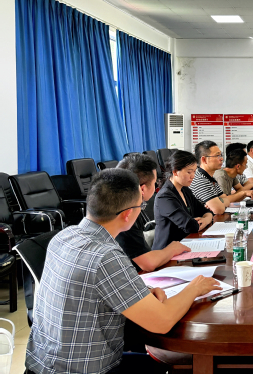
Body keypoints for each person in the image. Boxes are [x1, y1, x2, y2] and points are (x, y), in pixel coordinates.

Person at [26, 169, 221, 374]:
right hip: (82, 370)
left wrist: (141, 292)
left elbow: (88, 287)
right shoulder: (106, 255)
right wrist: (195, 288)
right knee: (177, 367)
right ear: (128, 214)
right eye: (141, 206)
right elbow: (162, 322)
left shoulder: (63, 237)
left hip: (42, 365)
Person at [115, 153, 190, 272]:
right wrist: (172, 249)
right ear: (143, 189)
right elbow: (148, 264)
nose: (155, 187)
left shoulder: (116, 204)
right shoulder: (126, 213)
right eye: (155, 183)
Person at [153, 150, 220, 250]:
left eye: (194, 171)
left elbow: (207, 211)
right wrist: (205, 219)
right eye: (189, 172)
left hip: (186, 244)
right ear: (175, 172)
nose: (193, 176)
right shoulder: (165, 197)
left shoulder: (185, 190)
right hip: (167, 252)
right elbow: (190, 226)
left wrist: (205, 220)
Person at [191, 141, 253, 213]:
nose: (221, 159)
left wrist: (219, 202)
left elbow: (226, 199)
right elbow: (219, 210)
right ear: (204, 159)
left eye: (221, 155)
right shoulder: (200, 180)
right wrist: (220, 203)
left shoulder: (210, 178)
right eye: (217, 156)